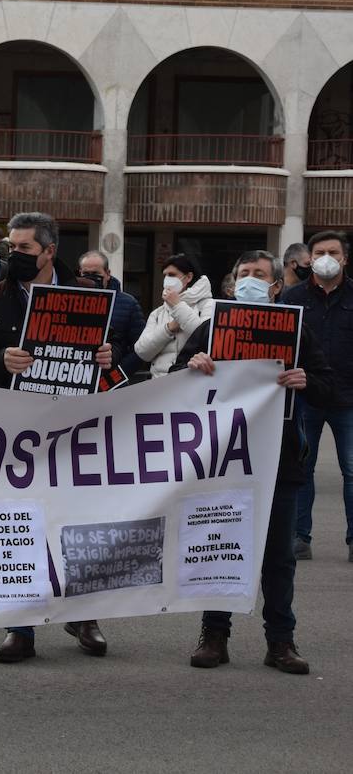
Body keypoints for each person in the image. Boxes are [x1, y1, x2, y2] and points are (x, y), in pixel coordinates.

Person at [0, 211, 114, 663]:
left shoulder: (89, 295)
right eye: (11, 247)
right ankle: (20, 628)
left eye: (24, 248)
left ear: (49, 251)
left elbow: (117, 352)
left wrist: (109, 353)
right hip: (16, 434)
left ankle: (84, 615)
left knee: (80, 525)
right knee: (20, 527)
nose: (15, 254)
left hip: (73, 431)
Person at [177, 249, 333, 675]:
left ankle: (281, 642)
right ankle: (214, 636)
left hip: (280, 460)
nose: (250, 280)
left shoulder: (297, 332)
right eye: (243, 274)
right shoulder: (211, 330)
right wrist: (192, 364)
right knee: (219, 548)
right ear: (232, 285)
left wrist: (307, 381)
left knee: (278, 557)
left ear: (275, 285)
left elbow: (328, 388)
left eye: (259, 275)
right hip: (223, 459)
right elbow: (174, 380)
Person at [281, 231, 353, 563]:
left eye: (333, 251)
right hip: (305, 398)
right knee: (302, 469)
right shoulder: (292, 298)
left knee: (351, 471)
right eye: (320, 251)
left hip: (348, 400)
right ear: (309, 258)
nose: (327, 257)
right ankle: (299, 536)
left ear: (344, 258)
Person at [133, 254, 214, 380]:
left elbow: (206, 340)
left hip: (191, 382)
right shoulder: (158, 313)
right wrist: (168, 328)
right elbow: (142, 351)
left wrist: (178, 306)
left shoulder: (207, 305)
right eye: (165, 275)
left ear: (188, 277)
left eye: (171, 275)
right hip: (160, 383)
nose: (166, 280)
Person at [78, 250, 145, 371]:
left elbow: (141, 348)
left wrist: (117, 374)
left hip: (111, 382)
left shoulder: (129, 304)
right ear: (80, 273)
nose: (91, 277)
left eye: (95, 273)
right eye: (86, 273)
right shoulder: (68, 301)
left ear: (107, 274)